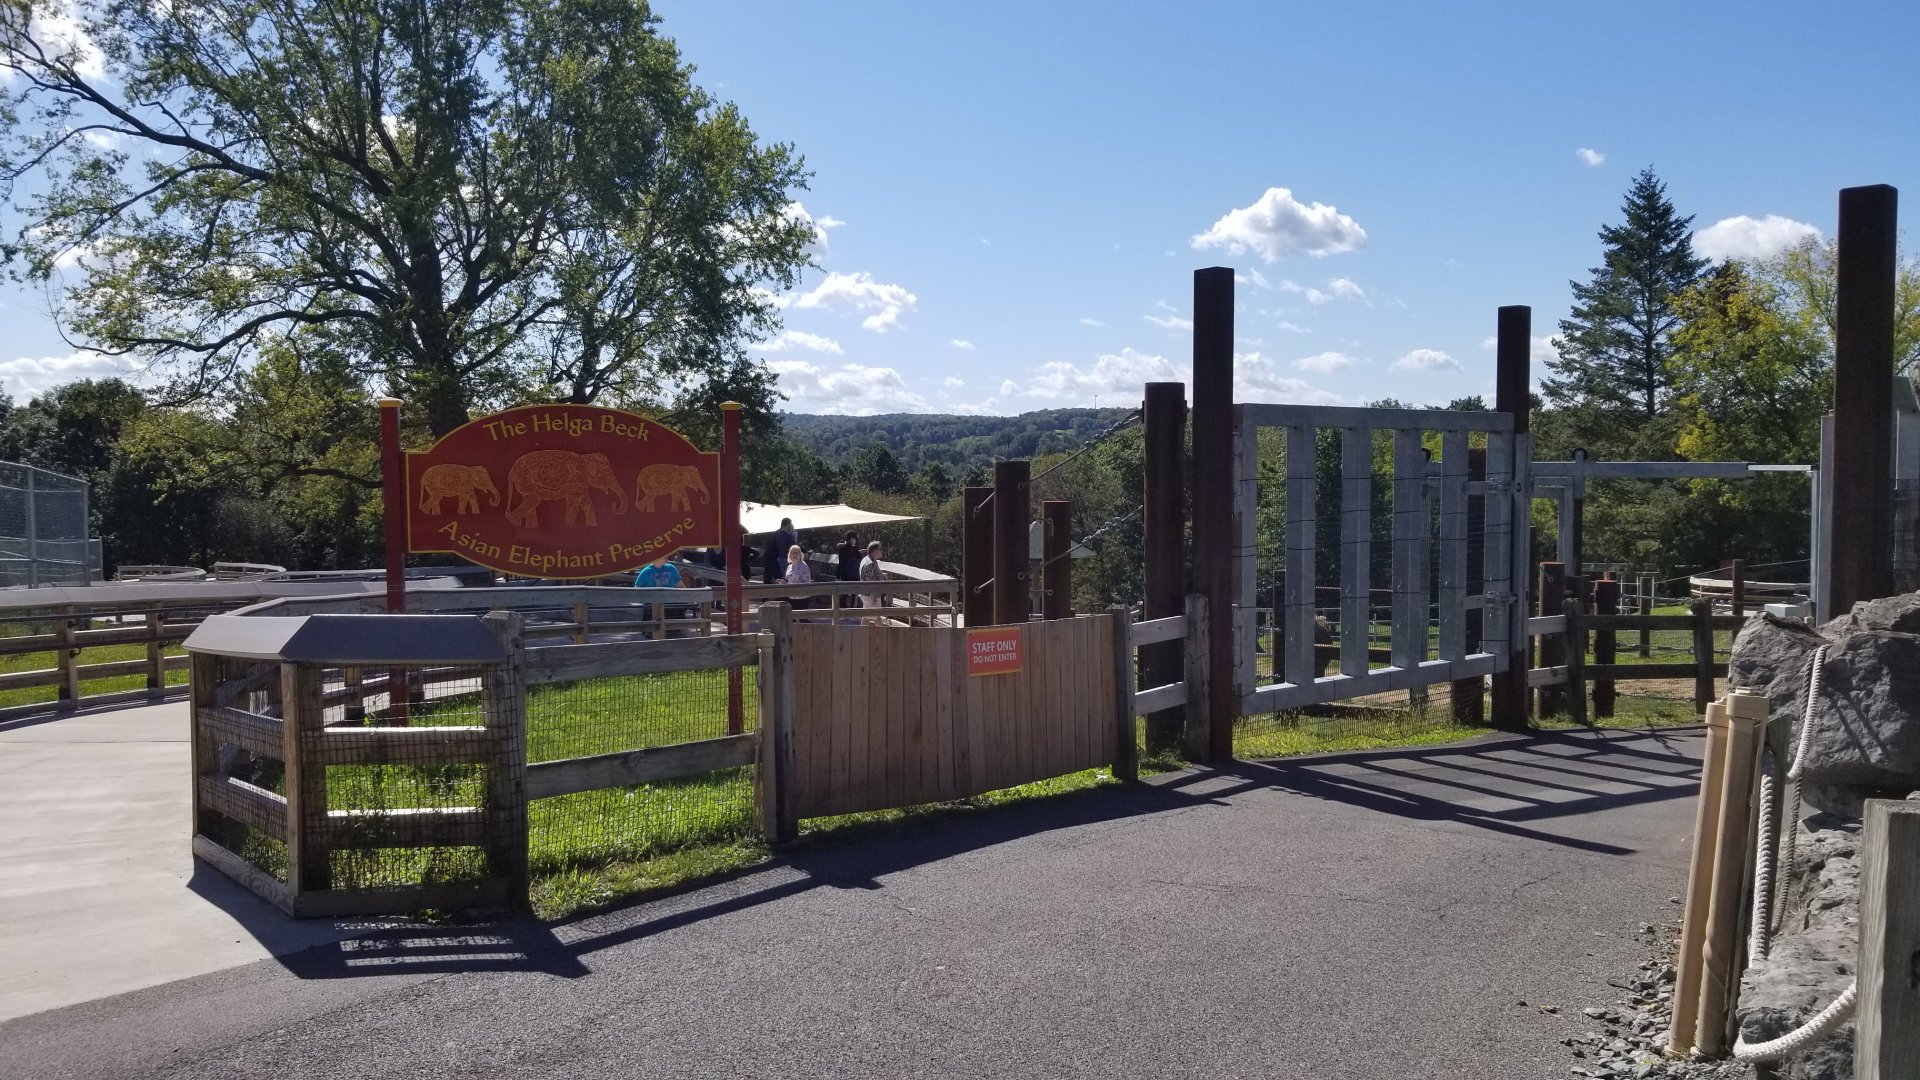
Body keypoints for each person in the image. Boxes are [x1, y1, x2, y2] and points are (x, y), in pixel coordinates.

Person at [834, 530, 863, 610]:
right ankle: (853, 611)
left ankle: (841, 611)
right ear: (852, 539)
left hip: (844, 575)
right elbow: (860, 557)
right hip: (854, 575)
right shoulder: (853, 549)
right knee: (854, 595)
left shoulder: (842, 549)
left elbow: (841, 563)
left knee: (843, 595)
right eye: (855, 539)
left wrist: (838, 575)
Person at [859, 539, 886, 618]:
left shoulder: (868, 560)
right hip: (871, 595)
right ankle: (882, 630)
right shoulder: (870, 563)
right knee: (876, 618)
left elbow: (872, 576)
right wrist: (873, 596)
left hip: (868, 594)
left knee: (867, 618)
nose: (882, 551)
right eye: (880, 549)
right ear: (874, 551)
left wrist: (882, 576)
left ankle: (862, 630)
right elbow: (870, 581)